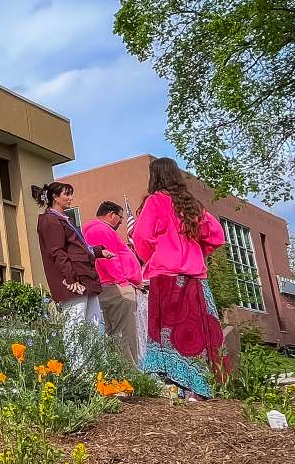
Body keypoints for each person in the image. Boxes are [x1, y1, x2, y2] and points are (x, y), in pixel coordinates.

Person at [132, 157, 228, 399]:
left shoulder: (155, 202)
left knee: (171, 334)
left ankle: (179, 386)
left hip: (167, 277)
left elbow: (142, 238)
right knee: (195, 333)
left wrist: (154, 256)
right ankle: (201, 387)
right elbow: (216, 236)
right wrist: (195, 251)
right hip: (195, 277)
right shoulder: (192, 205)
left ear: (155, 177)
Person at [33, 182, 112, 330]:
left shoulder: (65, 220)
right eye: (67, 194)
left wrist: (98, 252)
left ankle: (93, 354)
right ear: (55, 197)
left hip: (86, 277)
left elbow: (77, 247)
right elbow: (57, 251)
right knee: (75, 326)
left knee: (94, 327)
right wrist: (70, 278)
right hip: (74, 281)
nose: (71, 198)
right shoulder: (50, 220)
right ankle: (75, 355)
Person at [83, 201, 144, 363]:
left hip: (114, 285)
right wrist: (123, 281)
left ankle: (123, 371)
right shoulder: (99, 230)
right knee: (124, 332)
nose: (122, 222)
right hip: (115, 287)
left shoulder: (100, 229)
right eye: (120, 217)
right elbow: (108, 259)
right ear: (110, 214)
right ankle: (130, 372)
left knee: (119, 332)